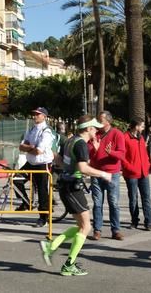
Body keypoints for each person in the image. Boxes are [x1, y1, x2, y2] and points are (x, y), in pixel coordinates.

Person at [39, 115, 112, 276]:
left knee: (82, 226)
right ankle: (68, 263)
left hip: (67, 186)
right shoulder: (80, 145)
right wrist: (102, 174)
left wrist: (68, 167)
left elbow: (58, 159)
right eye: (94, 128)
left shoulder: (69, 141)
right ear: (88, 129)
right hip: (72, 188)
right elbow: (83, 167)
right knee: (86, 226)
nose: (96, 130)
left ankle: (51, 246)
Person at [87, 111, 126, 240]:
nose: (98, 122)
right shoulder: (95, 134)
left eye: (100, 119)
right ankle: (97, 230)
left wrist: (111, 152)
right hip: (96, 172)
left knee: (113, 203)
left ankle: (116, 230)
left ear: (108, 121)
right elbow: (88, 152)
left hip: (111, 173)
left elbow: (121, 155)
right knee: (97, 203)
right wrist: (94, 146)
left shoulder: (117, 134)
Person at [14, 107, 54, 228]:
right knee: (15, 180)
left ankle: (43, 218)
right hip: (30, 163)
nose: (34, 116)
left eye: (37, 114)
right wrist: (29, 147)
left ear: (44, 117)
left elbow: (38, 151)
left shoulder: (46, 131)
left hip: (42, 164)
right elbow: (21, 146)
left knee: (42, 191)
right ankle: (26, 203)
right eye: (34, 114)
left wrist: (29, 147)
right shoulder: (31, 129)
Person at [122, 118, 151, 231]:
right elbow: (122, 156)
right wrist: (129, 167)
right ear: (136, 126)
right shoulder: (125, 137)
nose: (143, 128)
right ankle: (134, 220)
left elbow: (144, 153)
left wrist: (147, 164)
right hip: (131, 174)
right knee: (133, 198)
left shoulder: (141, 137)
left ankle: (148, 221)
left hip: (144, 172)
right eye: (142, 126)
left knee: (146, 198)